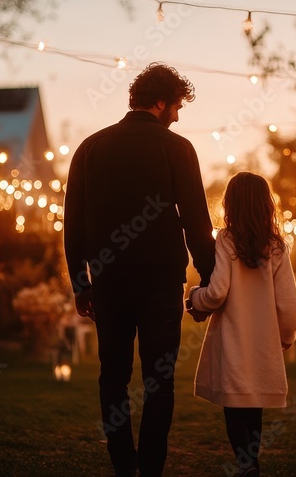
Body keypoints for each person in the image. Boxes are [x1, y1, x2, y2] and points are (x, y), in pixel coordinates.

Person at [63, 62, 216, 477]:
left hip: (108, 283)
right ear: (162, 102)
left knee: (112, 376)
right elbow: (197, 221)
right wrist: (209, 275)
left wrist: (82, 285)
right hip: (160, 283)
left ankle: (123, 466)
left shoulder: (90, 148)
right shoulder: (177, 148)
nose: (179, 116)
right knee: (159, 381)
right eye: (179, 106)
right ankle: (150, 468)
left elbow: (73, 224)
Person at [186, 171, 296, 477]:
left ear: (230, 204)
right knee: (253, 404)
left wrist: (195, 298)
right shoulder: (277, 246)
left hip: (232, 339)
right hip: (264, 343)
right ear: (267, 205)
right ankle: (250, 461)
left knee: (235, 403)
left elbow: (218, 290)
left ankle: (244, 462)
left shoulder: (225, 239)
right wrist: (286, 335)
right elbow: (289, 304)